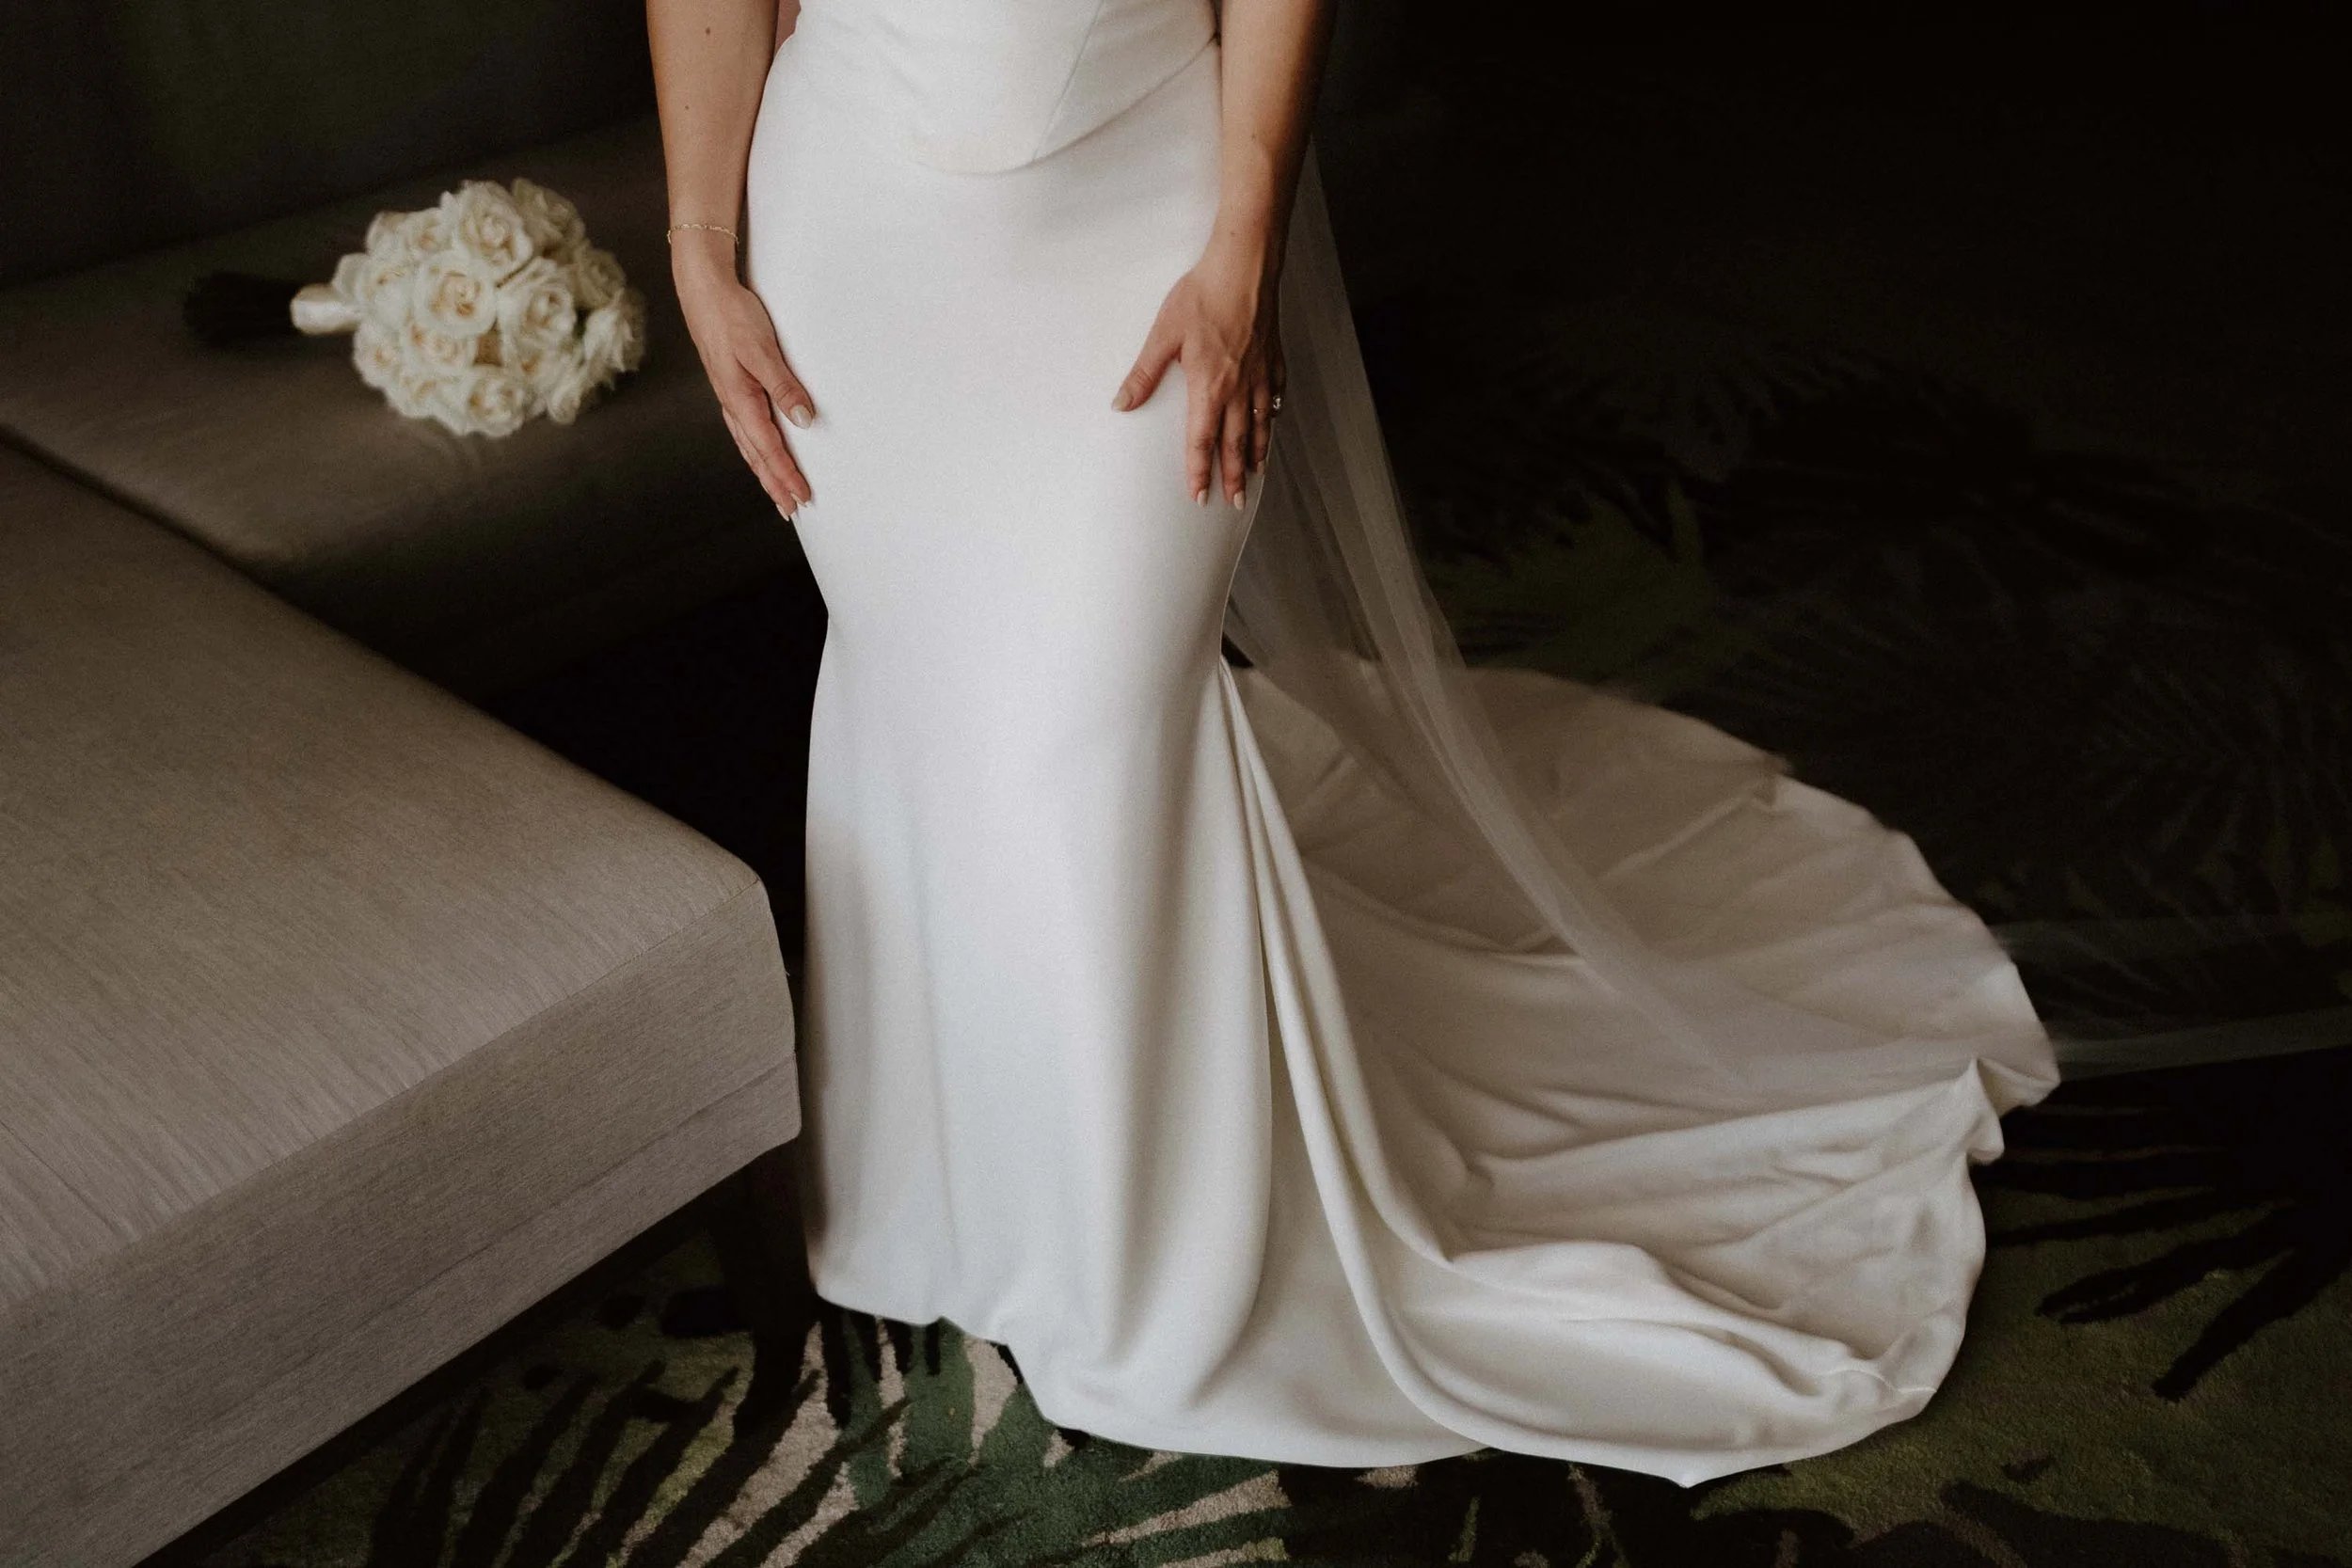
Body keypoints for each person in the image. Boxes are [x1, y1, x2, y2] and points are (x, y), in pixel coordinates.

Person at [646, 0, 2060, 1483]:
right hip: (857, 231)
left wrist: (1244, 239)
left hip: (1137, 209)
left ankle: (1142, 1256)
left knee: (1097, 726)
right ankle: (952, 1190)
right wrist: (700, 245)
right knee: (933, 697)